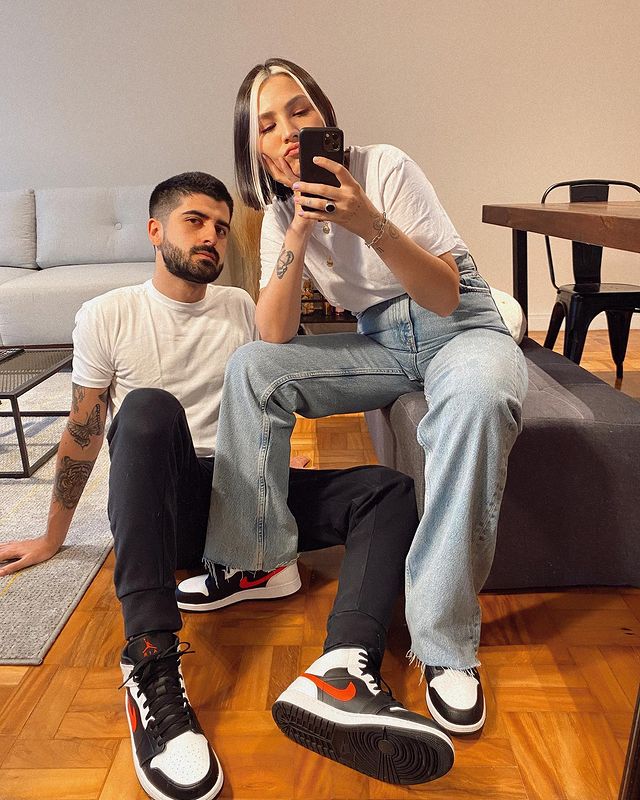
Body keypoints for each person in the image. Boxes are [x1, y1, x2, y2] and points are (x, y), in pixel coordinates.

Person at [0, 172, 454, 800]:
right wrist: (54, 536)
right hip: (173, 501)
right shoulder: (107, 314)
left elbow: (284, 360)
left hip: (251, 493)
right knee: (148, 410)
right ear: (155, 230)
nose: (211, 236)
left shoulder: (243, 306)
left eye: (219, 226)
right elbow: (81, 431)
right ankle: (151, 661)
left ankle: (345, 668)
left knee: (388, 490)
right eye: (195, 221)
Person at [200, 58, 529, 739]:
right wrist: (295, 235)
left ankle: (443, 645)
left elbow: (442, 293)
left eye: (299, 111)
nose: (288, 131)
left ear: (324, 115)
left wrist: (370, 223)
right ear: (255, 148)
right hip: (381, 342)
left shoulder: (384, 168)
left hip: (458, 324)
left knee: (478, 399)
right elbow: (273, 332)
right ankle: (260, 561)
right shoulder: (281, 213)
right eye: (267, 124)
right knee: (254, 368)